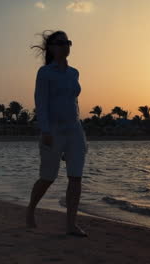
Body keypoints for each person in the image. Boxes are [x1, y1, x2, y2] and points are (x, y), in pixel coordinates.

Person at [26, 30, 88, 237]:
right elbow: (40, 102)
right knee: (47, 177)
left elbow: (74, 102)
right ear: (51, 48)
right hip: (53, 130)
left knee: (76, 177)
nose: (65, 46)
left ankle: (71, 224)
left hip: (75, 130)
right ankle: (31, 210)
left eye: (68, 42)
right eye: (61, 43)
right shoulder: (45, 73)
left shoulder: (74, 73)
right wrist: (45, 131)